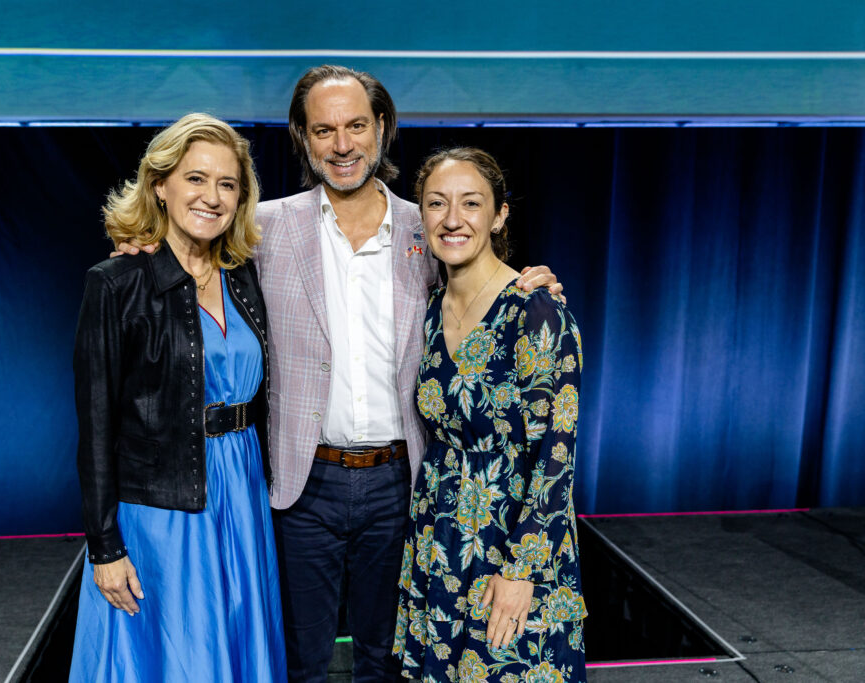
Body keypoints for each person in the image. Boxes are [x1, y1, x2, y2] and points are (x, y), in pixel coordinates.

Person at [116, 65, 564, 682]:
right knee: (301, 660)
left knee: (387, 658)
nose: (342, 143)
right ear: (302, 137)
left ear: (380, 127)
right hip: (305, 485)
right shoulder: (262, 228)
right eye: (324, 130)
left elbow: (480, 280)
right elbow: (188, 249)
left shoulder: (427, 225)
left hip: (402, 485)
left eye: (356, 125)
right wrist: (140, 248)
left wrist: (528, 284)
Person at [71, 113, 285, 682]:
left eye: (227, 184)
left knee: (237, 642)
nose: (211, 197)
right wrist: (105, 547)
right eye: (195, 179)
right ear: (160, 185)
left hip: (241, 492)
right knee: (176, 655)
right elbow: (94, 427)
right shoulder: (116, 283)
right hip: (162, 509)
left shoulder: (244, 275)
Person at [393, 148, 586, 682]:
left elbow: (557, 455)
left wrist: (521, 571)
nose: (452, 219)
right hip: (439, 537)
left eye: (471, 203)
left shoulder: (537, 310)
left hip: (511, 542)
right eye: (437, 203)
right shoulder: (431, 307)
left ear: (499, 214)